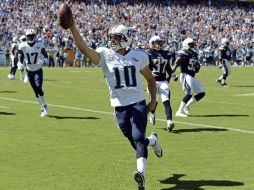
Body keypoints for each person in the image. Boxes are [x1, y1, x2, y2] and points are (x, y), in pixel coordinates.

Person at [68, 21, 163, 190]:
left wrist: (153, 101)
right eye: (111, 37)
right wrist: (72, 27)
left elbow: (150, 79)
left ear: (126, 39)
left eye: (116, 37)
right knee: (135, 142)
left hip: (137, 104)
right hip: (119, 107)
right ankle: (153, 140)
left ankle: (141, 175)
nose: (112, 40)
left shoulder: (138, 56)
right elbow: (84, 49)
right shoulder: (105, 55)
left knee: (138, 138)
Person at [146, 35, 178, 132]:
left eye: (160, 42)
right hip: (152, 81)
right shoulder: (148, 54)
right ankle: (152, 113)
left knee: (166, 101)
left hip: (163, 81)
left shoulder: (165, 54)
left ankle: (169, 122)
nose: (159, 44)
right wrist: (150, 73)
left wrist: (173, 74)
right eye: (157, 43)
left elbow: (168, 68)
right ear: (152, 43)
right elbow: (143, 68)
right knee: (154, 102)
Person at [17, 28, 49, 117]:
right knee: (35, 91)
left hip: (38, 70)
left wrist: (43, 60)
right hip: (29, 71)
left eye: (32, 36)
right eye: (29, 37)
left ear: (35, 36)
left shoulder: (39, 44)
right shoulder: (22, 45)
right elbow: (20, 55)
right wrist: (19, 62)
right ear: (26, 37)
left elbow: (46, 56)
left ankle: (45, 105)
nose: (30, 38)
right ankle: (42, 108)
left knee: (39, 88)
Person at [172, 38, 205, 117]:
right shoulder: (184, 52)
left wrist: (197, 67)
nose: (192, 45)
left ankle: (187, 105)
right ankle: (179, 111)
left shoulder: (194, 53)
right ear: (186, 44)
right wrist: (171, 72)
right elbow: (177, 62)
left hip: (192, 76)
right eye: (191, 44)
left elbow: (196, 68)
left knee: (201, 93)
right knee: (189, 92)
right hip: (185, 75)